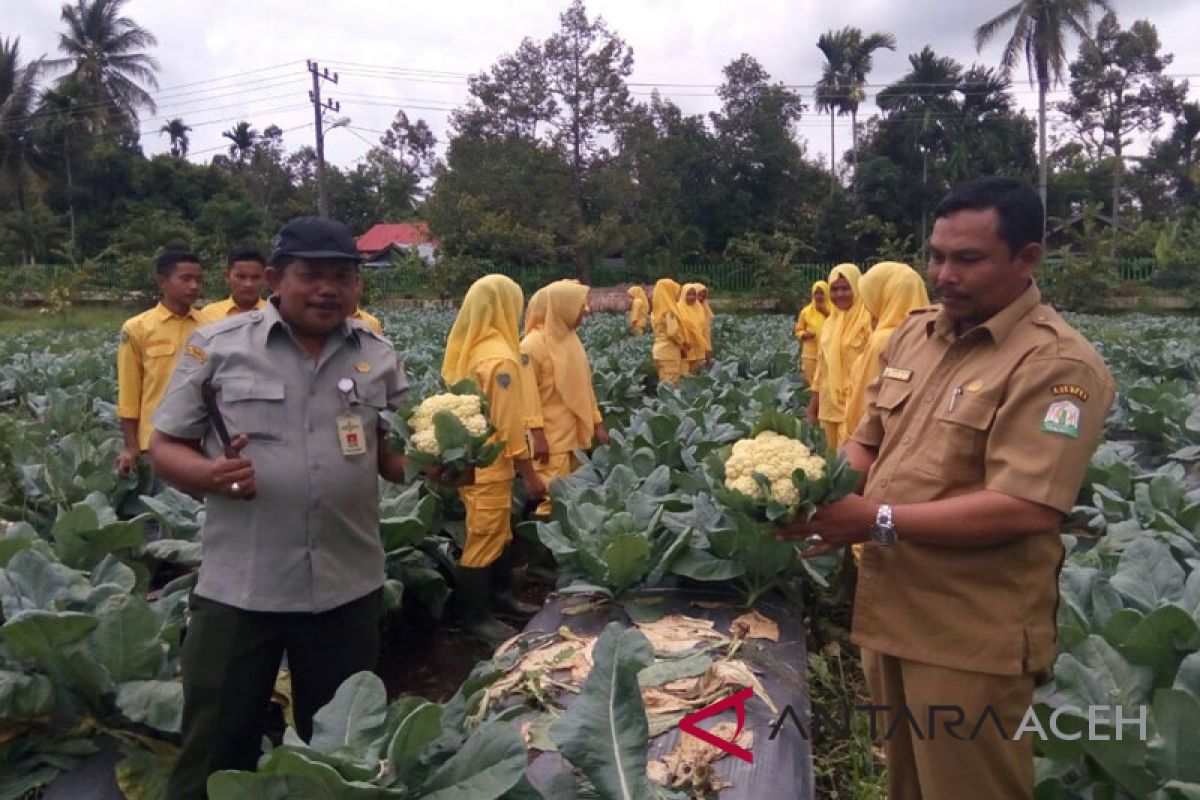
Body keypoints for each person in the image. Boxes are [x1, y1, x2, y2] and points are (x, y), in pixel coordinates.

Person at [786, 177, 1116, 800]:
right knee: (907, 785)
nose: (944, 274)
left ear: (1027, 260)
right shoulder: (916, 334)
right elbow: (868, 440)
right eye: (936, 256)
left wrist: (873, 520)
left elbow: (1026, 508)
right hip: (891, 608)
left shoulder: (1056, 365)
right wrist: (817, 501)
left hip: (971, 630)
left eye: (968, 258)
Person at [149, 216, 410, 799]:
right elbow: (163, 446)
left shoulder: (377, 355)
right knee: (215, 747)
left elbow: (390, 457)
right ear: (274, 279)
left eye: (343, 277)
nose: (329, 289)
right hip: (243, 588)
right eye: (311, 275)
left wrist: (439, 466)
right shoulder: (219, 347)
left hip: (348, 584)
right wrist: (210, 474)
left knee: (339, 751)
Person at [440, 274, 547, 644]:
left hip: (471, 463)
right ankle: (473, 616)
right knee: (484, 537)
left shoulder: (470, 348)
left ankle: (499, 596)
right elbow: (507, 425)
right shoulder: (500, 359)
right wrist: (529, 472)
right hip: (491, 466)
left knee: (497, 532)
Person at [520, 279, 608, 515]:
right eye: (580, 305)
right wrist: (537, 435)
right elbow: (527, 396)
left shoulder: (570, 339)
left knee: (575, 495)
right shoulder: (530, 346)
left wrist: (597, 422)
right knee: (551, 498)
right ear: (562, 307)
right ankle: (546, 545)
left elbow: (584, 386)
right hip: (551, 440)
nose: (586, 310)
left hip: (576, 434)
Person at [116, 250, 205, 476]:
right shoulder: (136, 327)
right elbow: (129, 392)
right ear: (162, 282)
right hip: (156, 442)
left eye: (198, 280)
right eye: (186, 279)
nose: (194, 286)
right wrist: (130, 446)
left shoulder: (212, 326)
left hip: (203, 440)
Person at [842, 262, 929, 438]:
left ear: (884, 295)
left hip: (873, 444)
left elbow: (864, 404)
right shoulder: (929, 336)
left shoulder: (884, 340)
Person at [806, 263, 872, 450]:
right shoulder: (829, 324)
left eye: (846, 288)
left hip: (856, 408)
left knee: (853, 467)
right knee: (833, 465)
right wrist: (812, 407)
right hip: (829, 408)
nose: (839, 294)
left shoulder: (868, 321)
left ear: (858, 288)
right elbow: (821, 369)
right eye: (834, 289)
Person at [197, 248, 267, 323]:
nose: (248, 284)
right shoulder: (208, 314)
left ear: (265, 278)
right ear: (227, 276)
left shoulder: (274, 313)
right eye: (241, 277)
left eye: (255, 277)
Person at [793, 280, 830, 386]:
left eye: (821, 293)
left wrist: (824, 312)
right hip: (810, 353)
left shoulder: (834, 309)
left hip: (827, 351)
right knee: (812, 383)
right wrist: (804, 334)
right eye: (816, 293)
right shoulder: (806, 311)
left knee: (825, 383)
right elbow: (798, 329)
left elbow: (838, 324)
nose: (818, 296)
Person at [651, 278, 687, 384]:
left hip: (659, 351)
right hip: (669, 352)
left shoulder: (656, 311)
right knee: (671, 385)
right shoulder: (669, 312)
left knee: (664, 382)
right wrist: (683, 343)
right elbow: (673, 332)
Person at [677, 283, 708, 375]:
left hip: (698, 349)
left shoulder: (699, 309)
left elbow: (704, 329)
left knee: (695, 376)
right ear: (683, 294)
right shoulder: (678, 308)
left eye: (694, 294)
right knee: (684, 376)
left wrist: (707, 347)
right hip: (685, 348)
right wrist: (682, 345)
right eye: (689, 294)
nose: (692, 297)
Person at [697, 284, 715, 365]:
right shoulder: (686, 309)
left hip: (705, 342)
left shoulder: (705, 307)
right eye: (698, 295)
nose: (701, 298)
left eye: (703, 296)